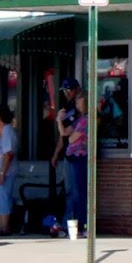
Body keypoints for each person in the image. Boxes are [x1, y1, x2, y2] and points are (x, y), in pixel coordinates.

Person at [60, 84, 89, 235]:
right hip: (72, 157)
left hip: (79, 157)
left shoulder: (86, 120)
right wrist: (59, 119)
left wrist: (71, 137)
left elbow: (71, 139)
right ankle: (71, 224)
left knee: (78, 192)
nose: (77, 105)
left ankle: (80, 224)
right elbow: (64, 133)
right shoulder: (79, 118)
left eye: (79, 102)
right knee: (72, 192)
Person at [0, 105, 18, 237]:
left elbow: (9, 153)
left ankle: (4, 226)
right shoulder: (0, 131)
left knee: (2, 197)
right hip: (0, 170)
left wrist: (2, 172)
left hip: (5, 171)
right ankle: (1, 226)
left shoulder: (7, 130)